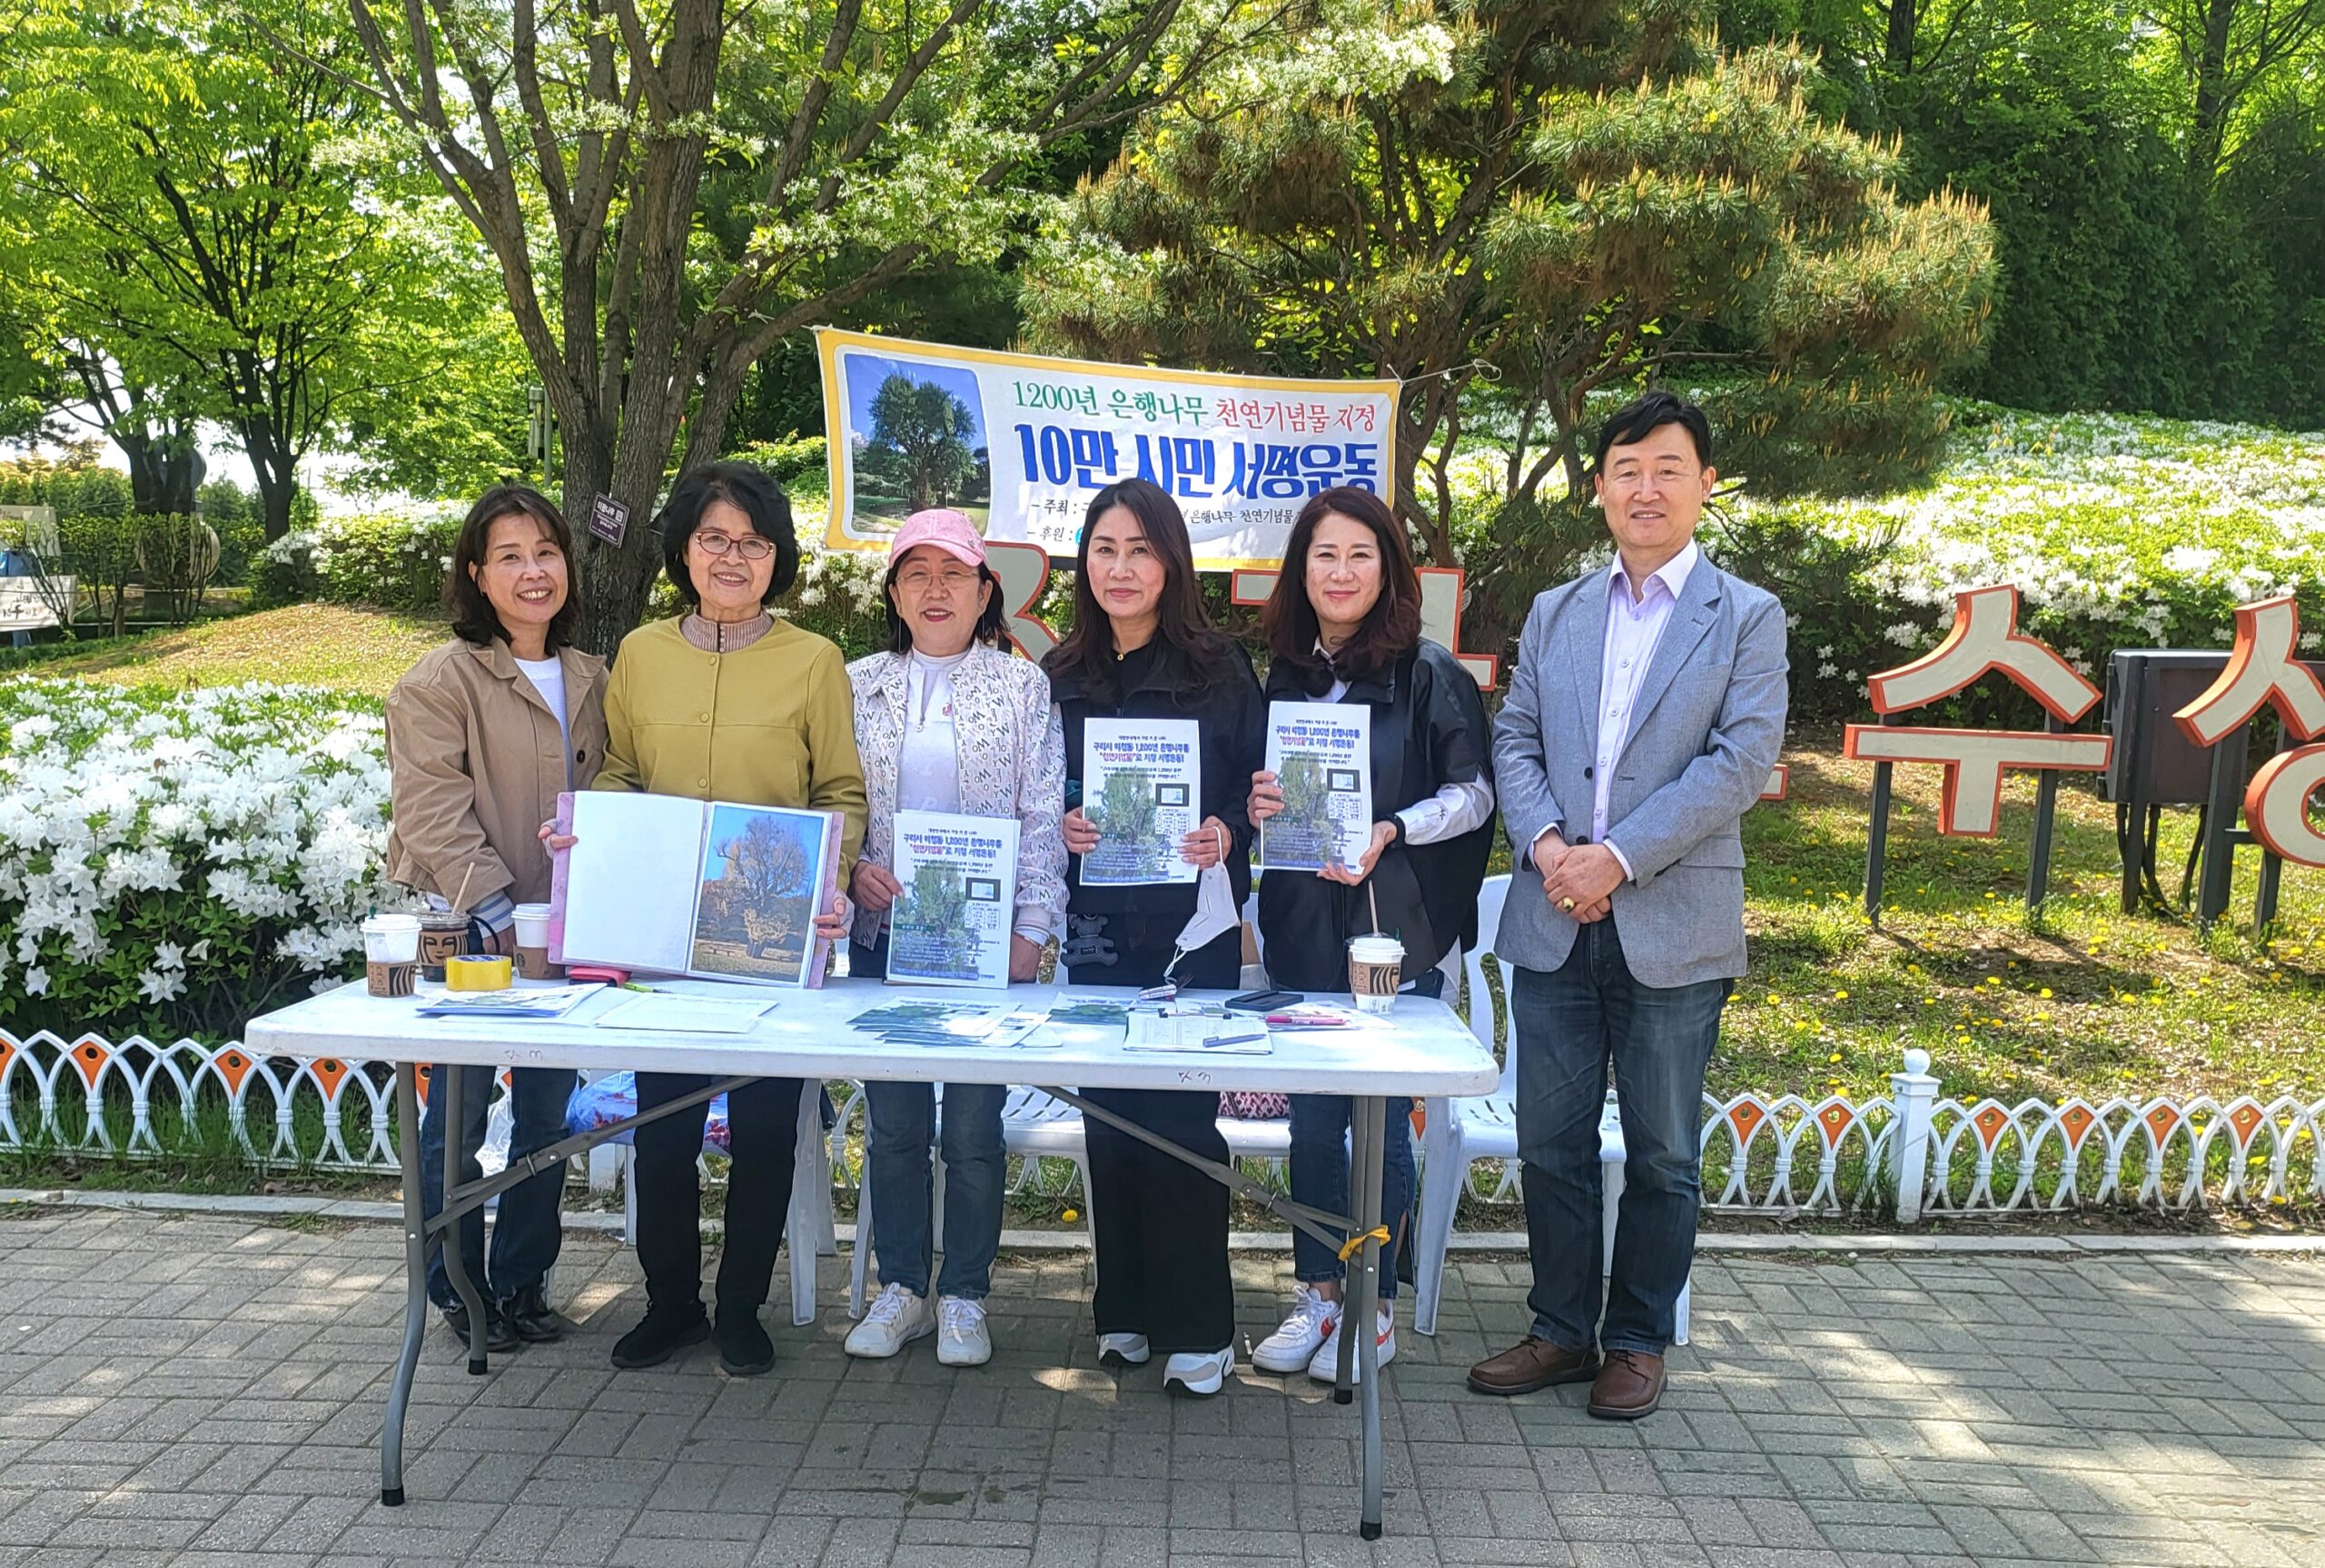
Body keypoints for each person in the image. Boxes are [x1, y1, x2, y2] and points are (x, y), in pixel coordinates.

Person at [1468, 390, 1787, 1417]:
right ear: (1599, 488)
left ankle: (1638, 1337)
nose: (1644, 486)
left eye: (1667, 467)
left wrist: (1617, 858)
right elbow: (1512, 737)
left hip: (1672, 921)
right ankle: (1560, 1328)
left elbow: (1740, 761)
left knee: (1660, 1150)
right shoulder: (1559, 610)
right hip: (1554, 914)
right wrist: (1555, 848)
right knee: (1548, 1140)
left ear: (1704, 484)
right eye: (1625, 468)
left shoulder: (1745, 615)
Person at [586, 460, 866, 1377]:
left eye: (752, 539)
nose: (733, 554)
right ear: (684, 549)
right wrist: (593, 823)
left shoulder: (813, 660)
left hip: (769, 937)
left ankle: (741, 1304)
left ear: (776, 554)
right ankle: (671, 1301)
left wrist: (834, 875)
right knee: (662, 1130)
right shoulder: (640, 652)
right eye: (714, 536)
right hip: (663, 942)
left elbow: (838, 790)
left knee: (763, 1130)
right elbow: (621, 770)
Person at [1244, 486, 1495, 1386]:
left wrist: (1393, 825)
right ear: (1299, 570)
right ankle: (1317, 1293)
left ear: (1387, 566)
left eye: (1359, 554)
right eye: (1323, 555)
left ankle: (1373, 1305)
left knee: (1380, 1121)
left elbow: (1474, 795)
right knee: (1313, 1115)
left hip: (1396, 934)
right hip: (1304, 924)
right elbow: (1251, 790)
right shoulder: (1281, 672)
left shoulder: (1429, 673)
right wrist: (1255, 801)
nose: (1339, 571)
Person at [1044, 477, 1265, 1397]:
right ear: (1083, 563)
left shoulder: (1221, 668)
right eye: (1104, 549)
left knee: (1179, 1117)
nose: (1120, 566)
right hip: (1097, 928)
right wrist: (1063, 822)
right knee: (1109, 1113)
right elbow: (1036, 795)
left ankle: (1202, 1323)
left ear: (1170, 561)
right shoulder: (1058, 674)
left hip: (1191, 929)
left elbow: (1259, 794)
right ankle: (1125, 1309)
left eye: (1139, 549)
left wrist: (1225, 831)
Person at [384, 485, 608, 1352]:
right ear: (476, 575)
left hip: (565, 928)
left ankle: (523, 1280)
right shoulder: (437, 681)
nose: (532, 571)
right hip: (471, 928)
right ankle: (455, 1287)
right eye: (509, 556)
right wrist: (498, 911)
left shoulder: (592, 674)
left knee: (547, 1116)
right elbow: (433, 810)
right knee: (461, 1118)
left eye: (546, 552)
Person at [841, 509, 1066, 1367]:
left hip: (983, 945)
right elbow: (832, 797)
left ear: (984, 591)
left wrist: (1031, 930)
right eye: (916, 573)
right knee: (895, 1121)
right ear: (894, 592)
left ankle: (966, 1291)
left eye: (954, 574)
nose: (935, 590)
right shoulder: (857, 683)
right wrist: (851, 869)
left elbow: (1041, 814)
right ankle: (902, 1285)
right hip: (883, 934)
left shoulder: (1020, 687)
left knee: (973, 1122)